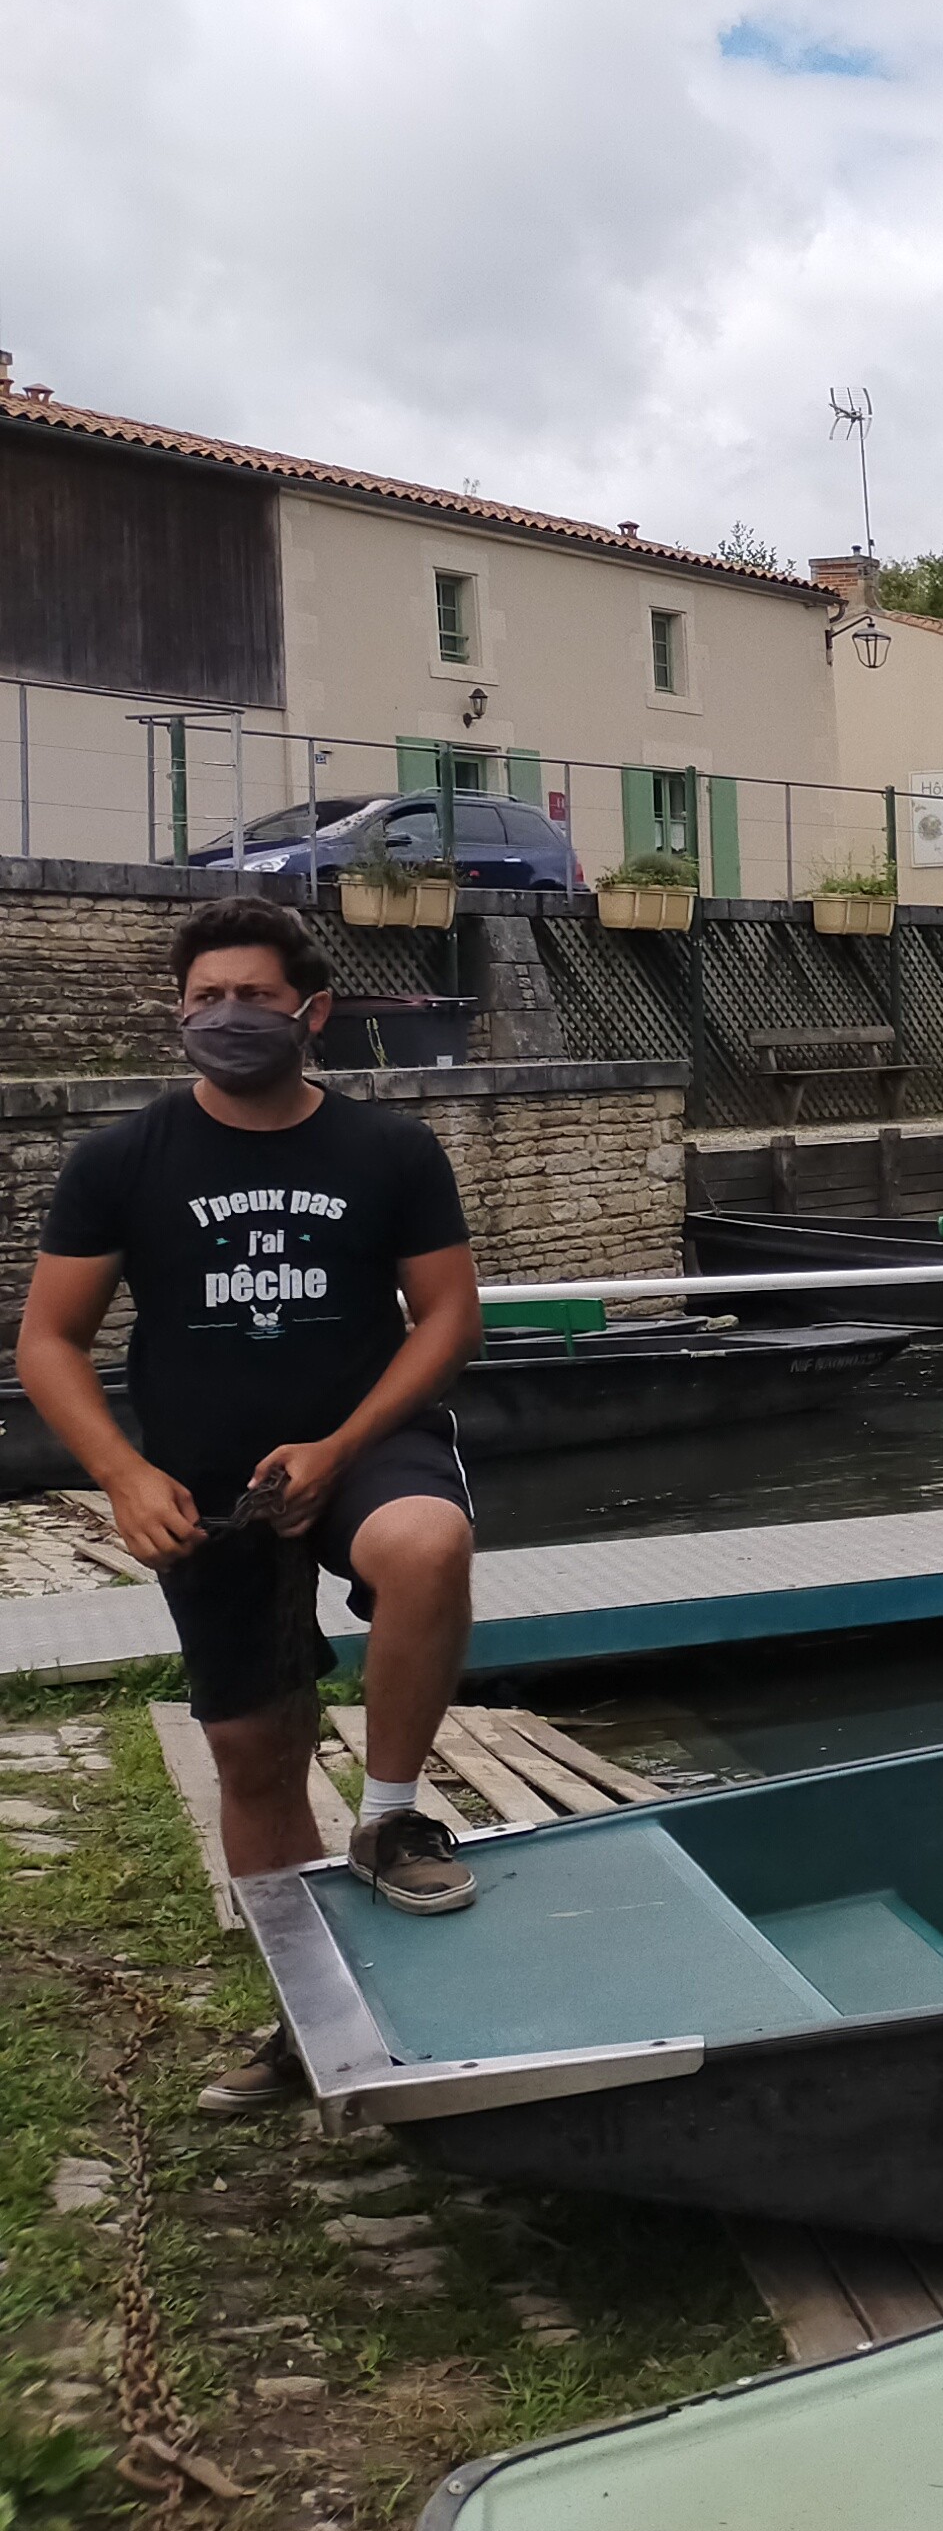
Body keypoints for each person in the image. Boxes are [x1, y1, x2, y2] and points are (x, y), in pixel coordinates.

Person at [16, 898, 484, 2114]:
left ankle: (389, 1819)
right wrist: (122, 1474)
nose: (227, 1018)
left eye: (253, 997)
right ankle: (309, 2028)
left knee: (428, 1542)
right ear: (180, 1018)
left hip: (360, 1446)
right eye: (204, 999)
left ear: (310, 1012)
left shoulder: (389, 1152)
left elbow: (448, 1317)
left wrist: (340, 1445)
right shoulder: (123, 1160)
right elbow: (51, 1341)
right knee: (254, 1756)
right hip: (202, 1485)